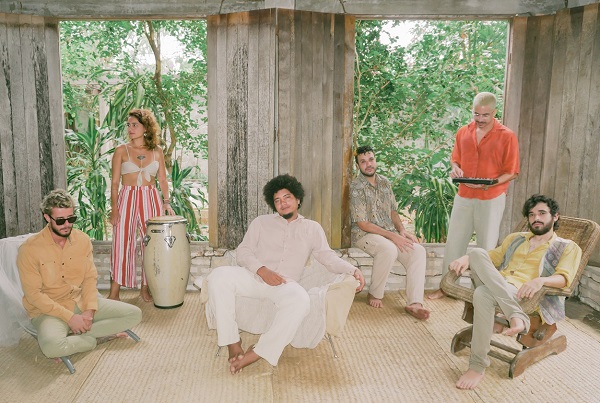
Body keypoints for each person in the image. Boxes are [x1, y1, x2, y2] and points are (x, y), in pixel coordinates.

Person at [206, 174, 365, 374]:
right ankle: (232, 342)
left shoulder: (312, 228)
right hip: (253, 278)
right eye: (277, 200)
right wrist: (262, 270)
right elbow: (243, 252)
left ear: (298, 199)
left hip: (284, 285)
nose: (283, 203)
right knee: (218, 277)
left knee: (301, 300)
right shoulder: (261, 222)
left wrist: (353, 270)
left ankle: (260, 351)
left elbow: (327, 257)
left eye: (287, 197)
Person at [449, 194, 581, 390]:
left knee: (482, 294)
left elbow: (564, 278)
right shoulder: (515, 239)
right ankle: (515, 315)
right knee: (476, 253)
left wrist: (541, 280)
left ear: (555, 216)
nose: (536, 218)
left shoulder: (567, 247)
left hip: (523, 292)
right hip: (498, 281)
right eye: (531, 214)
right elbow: (489, 258)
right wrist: (466, 259)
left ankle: (477, 366)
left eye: (542, 213)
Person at [17, 189, 142, 360]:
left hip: (79, 301)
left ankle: (75, 337)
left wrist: (89, 312)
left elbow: (89, 279)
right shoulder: (29, 249)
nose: (67, 224)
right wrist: (70, 318)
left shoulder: (82, 240)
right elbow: (34, 295)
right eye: (60, 220)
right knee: (52, 347)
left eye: (71, 219)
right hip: (48, 311)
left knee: (134, 314)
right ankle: (94, 339)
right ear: (47, 217)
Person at [429, 92, 520, 300]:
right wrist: (455, 168)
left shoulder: (507, 136)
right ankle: (446, 287)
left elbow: (513, 172)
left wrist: (490, 183)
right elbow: (455, 160)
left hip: (492, 197)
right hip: (464, 195)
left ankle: (482, 293)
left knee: (485, 248)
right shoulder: (463, 132)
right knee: (454, 242)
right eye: (476, 114)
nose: (480, 119)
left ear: (494, 112)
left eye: (485, 115)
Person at [350, 145, 430, 319]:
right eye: (363, 162)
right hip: (364, 235)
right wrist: (393, 236)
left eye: (371, 159)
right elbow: (362, 223)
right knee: (389, 249)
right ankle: (375, 293)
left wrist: (402, 231)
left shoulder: (385, 182)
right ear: (358, 165)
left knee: (418, 251)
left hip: (388, 233)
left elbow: (393, 211)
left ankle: (415, 303)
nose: (368, 164)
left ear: (375, 160)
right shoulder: (356, 186)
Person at [108, 108, 175, 302]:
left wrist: (166, 203)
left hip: (150, 197)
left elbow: (162, 180)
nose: (130, 128)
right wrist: (114, 209)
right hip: (126, 198)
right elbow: (114, 183)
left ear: (146, 127)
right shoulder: (121, 150)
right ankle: (114, 291)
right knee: (121, 244)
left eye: (135, 125)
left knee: (150, 244)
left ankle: (145, 288)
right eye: (128, 125)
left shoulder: (157, 151)